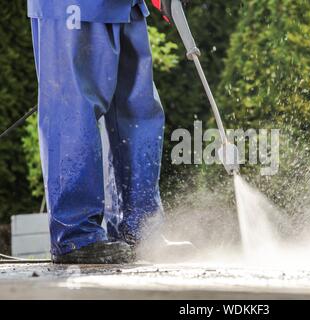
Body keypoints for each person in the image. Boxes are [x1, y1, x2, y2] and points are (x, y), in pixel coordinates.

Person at [27, 0, 190, 264]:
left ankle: (140, 230)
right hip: (74, 6)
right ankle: (76, 235)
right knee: (74, 111)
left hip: (127, 6)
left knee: (138, 111)